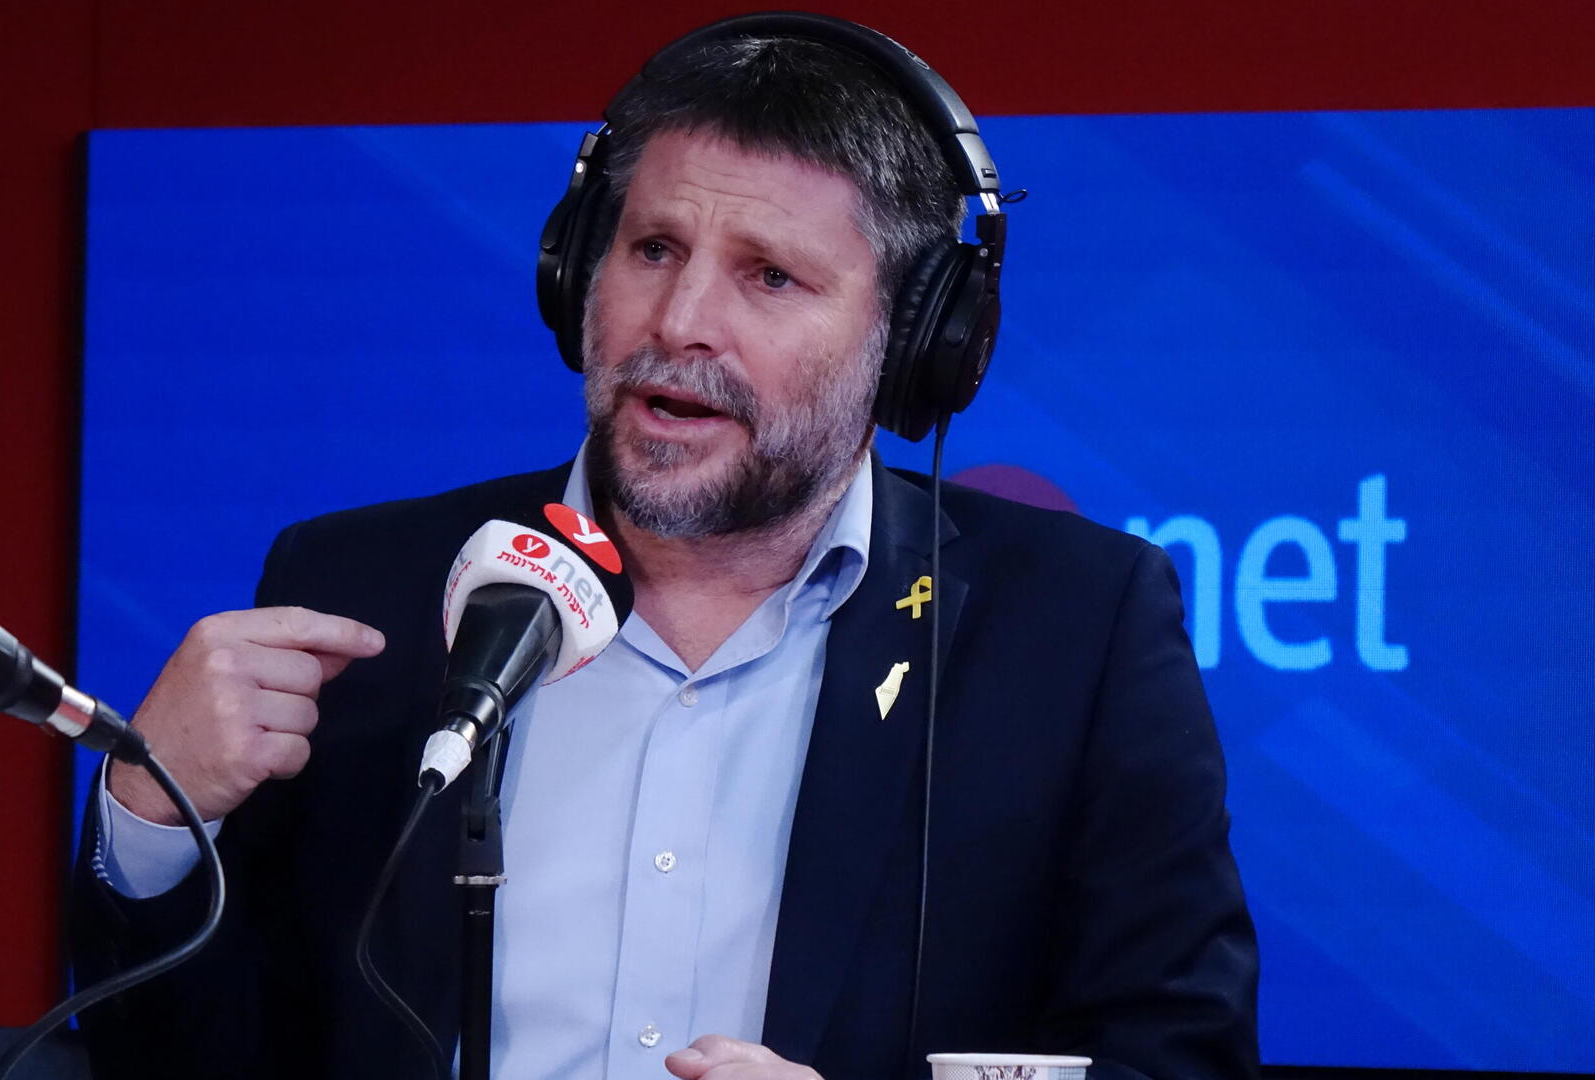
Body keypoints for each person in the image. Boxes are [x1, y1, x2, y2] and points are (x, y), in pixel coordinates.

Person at [70, 15, 1258, 1080]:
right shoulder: (362, 595)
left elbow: (1179, 1059)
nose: (681, 322)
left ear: (911, 344)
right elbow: (184, 1058)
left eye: (770, 277)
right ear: (576, 269)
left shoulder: (1074, 632)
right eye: (652, 250)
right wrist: (154, 817)